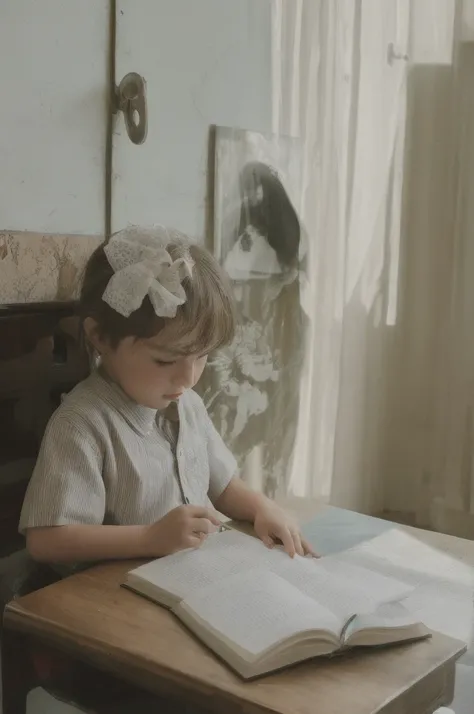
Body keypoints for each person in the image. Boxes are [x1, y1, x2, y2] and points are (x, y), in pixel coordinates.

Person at [19, 225, 314, 569]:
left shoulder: (186, 404)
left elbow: (223, 485)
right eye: (166, 360)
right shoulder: (82, 424)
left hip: (195, 576)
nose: (188, 378)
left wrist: (263, 508)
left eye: (202, 356)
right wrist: (148, 538)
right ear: (99, 336)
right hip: (116, 596)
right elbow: (46, 540)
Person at [200, 161, 309, 497]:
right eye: (242, 285)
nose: (255, 295)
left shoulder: (293, 325)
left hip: (256, 479)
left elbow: (285, 422)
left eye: (271, 284)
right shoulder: (214, 326)